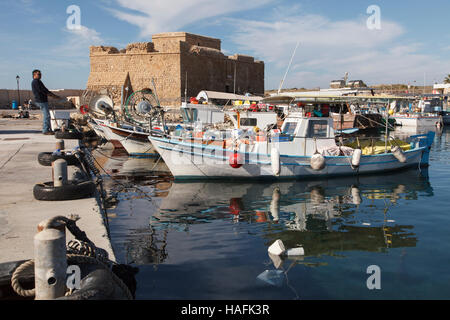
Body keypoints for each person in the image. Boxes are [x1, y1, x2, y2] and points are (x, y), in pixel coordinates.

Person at [31, 69, 61, 134]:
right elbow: (43, 91)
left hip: (42, 100)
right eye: (38, 74)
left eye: (40, 74)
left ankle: (47, 129)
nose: (40, 75)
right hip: (41, 101)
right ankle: (46, 130)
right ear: (34, 75)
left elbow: (45, 90)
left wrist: (52, 95)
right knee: (46, 115)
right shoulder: (36, 82)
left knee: (47, 115)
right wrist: (53, 96)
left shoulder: (38, 81)